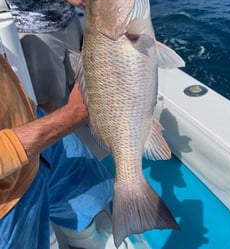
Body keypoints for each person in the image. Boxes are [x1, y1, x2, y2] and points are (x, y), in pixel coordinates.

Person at [0, 51, 135, 249]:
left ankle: (86, 241)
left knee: (78, 187)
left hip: (29, 120)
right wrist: (71, 115)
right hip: (8, 199)